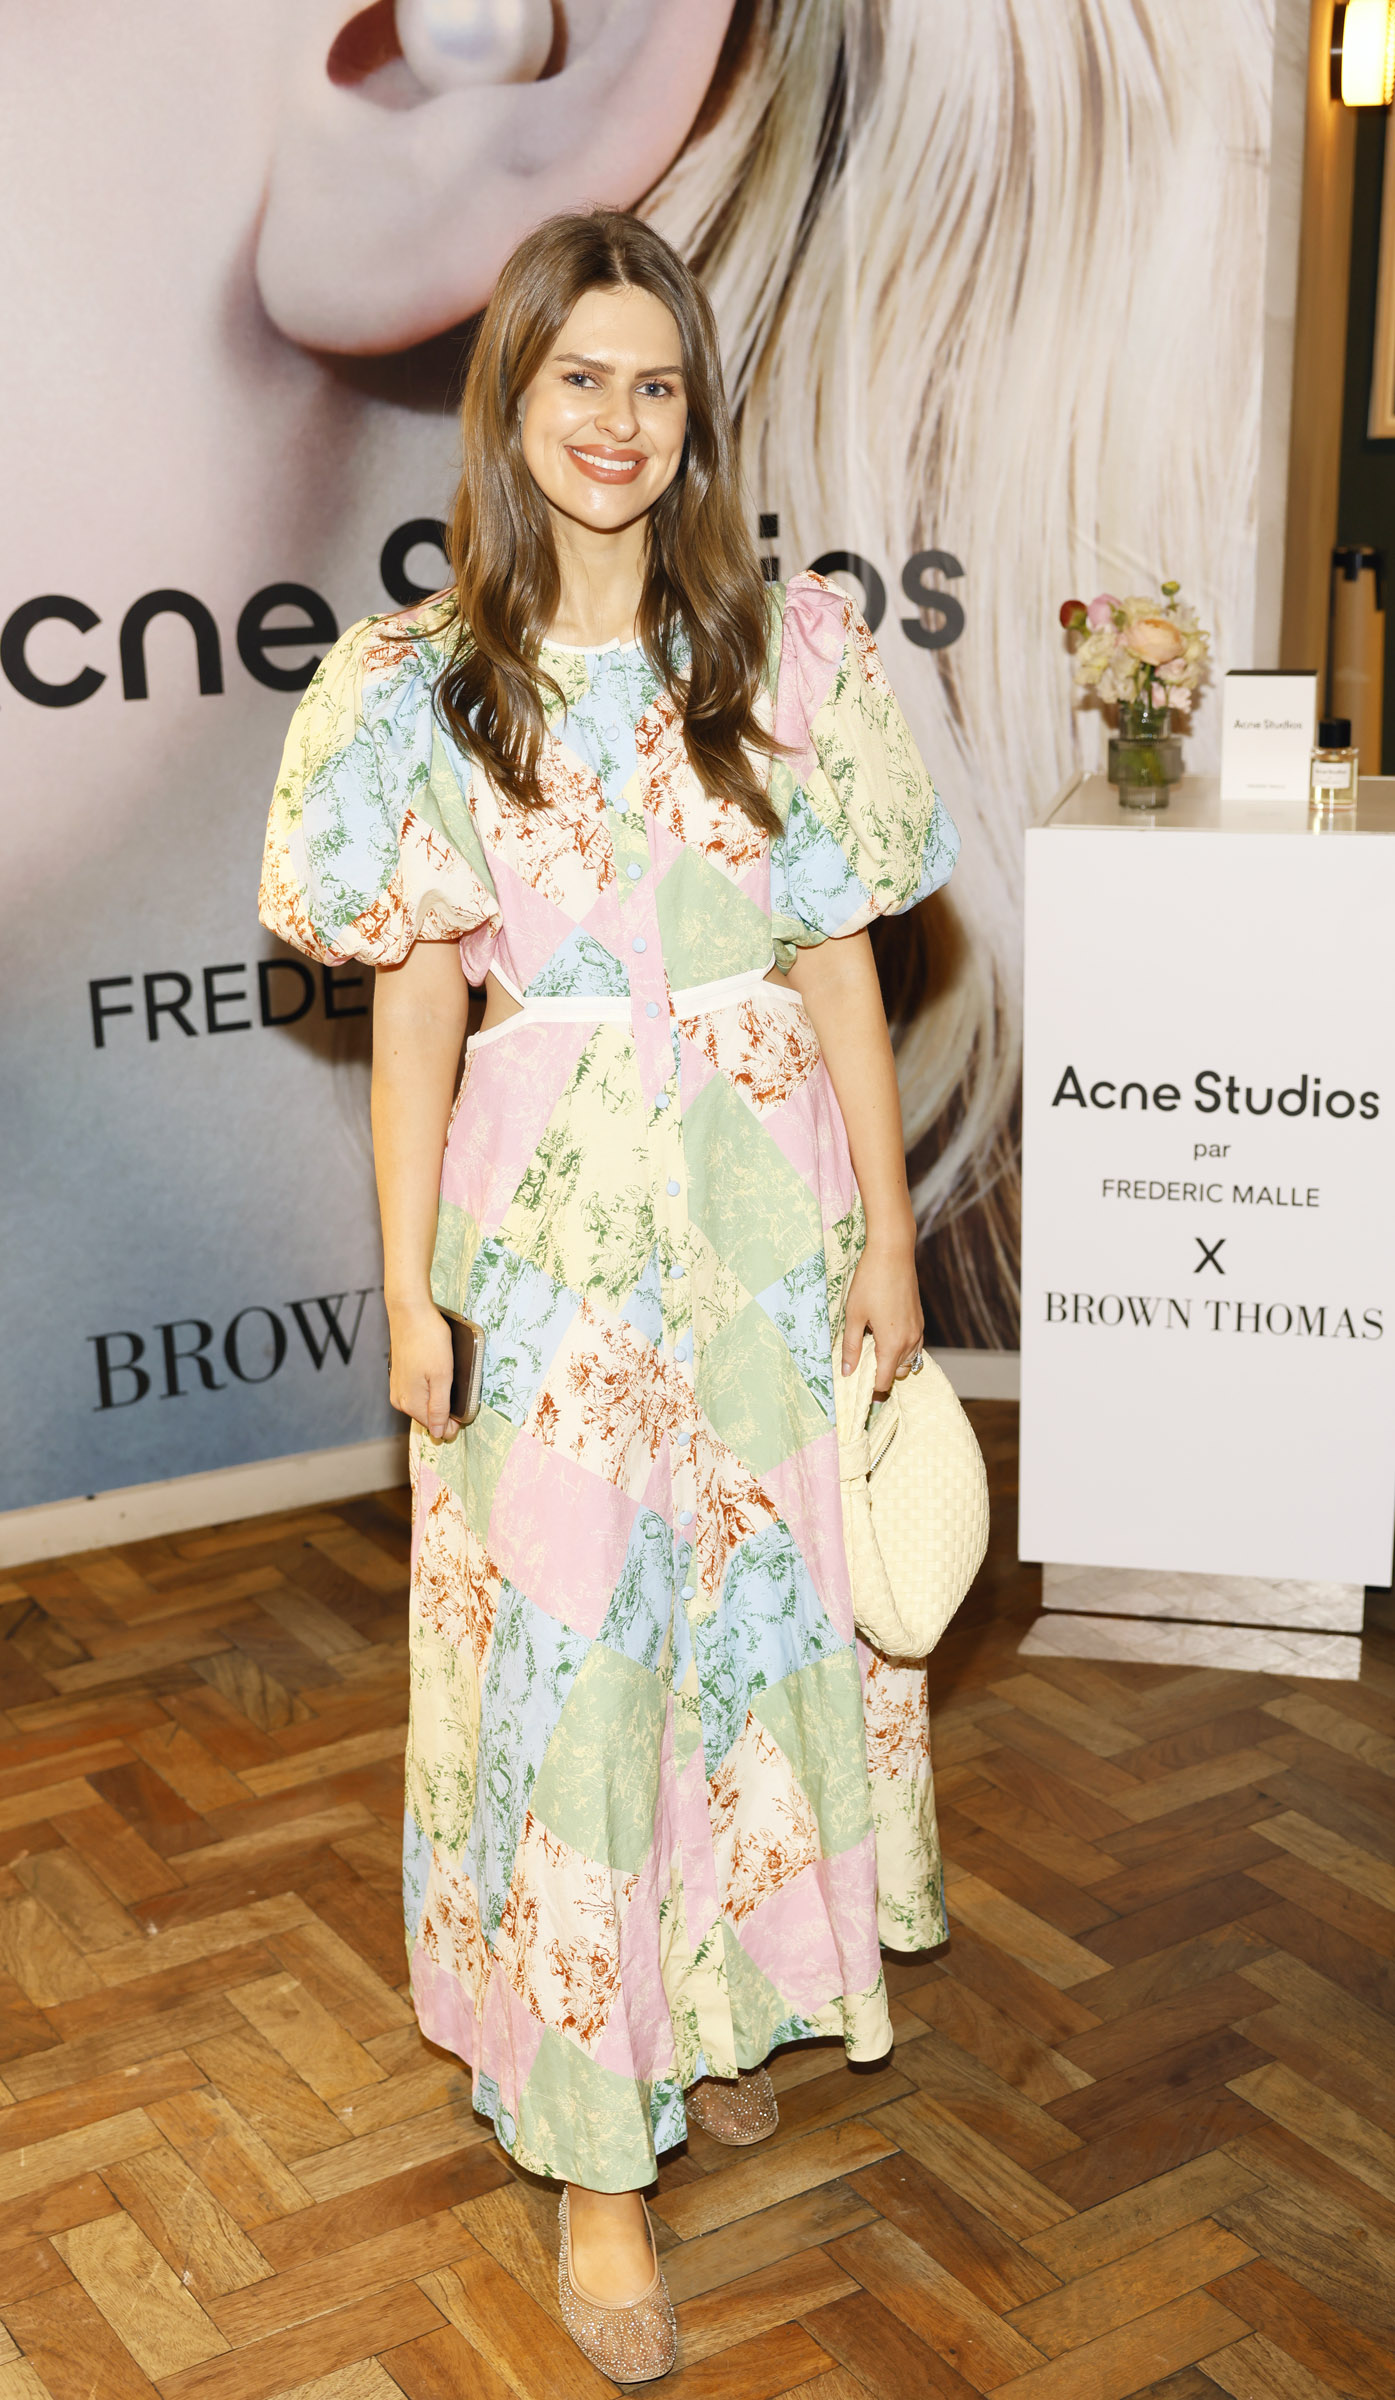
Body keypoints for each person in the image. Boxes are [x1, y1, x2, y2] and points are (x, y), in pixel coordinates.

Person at [259, 206, 958, 2384]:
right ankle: (590, 2160)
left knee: (743, 1635)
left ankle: (713, 2001)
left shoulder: (788, 654)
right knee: (572, 1672)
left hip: (765, 1224)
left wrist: (891, 1244)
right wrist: (407, 1289)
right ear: (511, 400)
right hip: (550, 1251)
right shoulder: (410, 690)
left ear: (692, 413)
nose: (619, 422)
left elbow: (837, 957)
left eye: (656, 384)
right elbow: (409, 1017)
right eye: (581, 378)